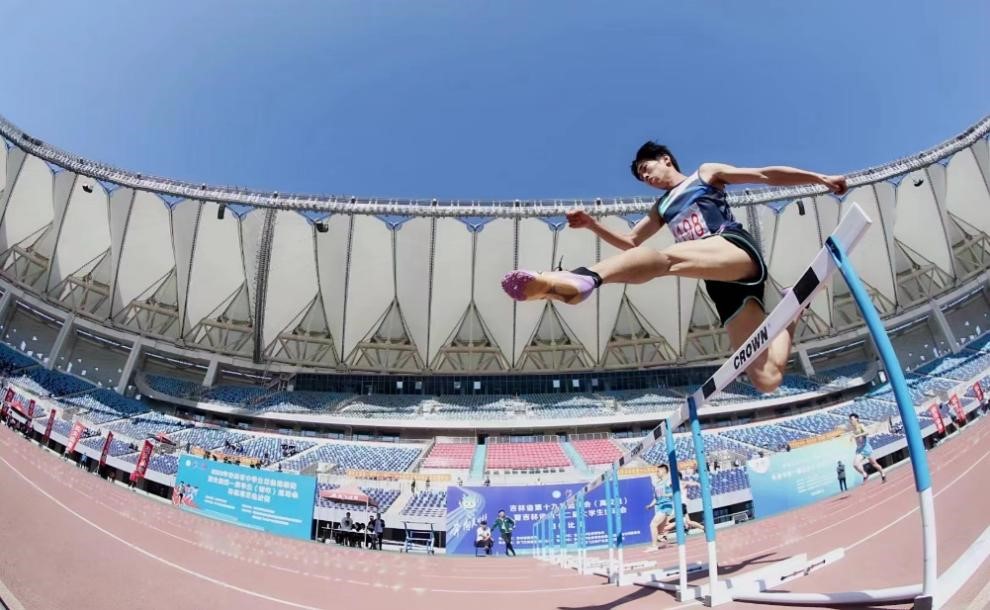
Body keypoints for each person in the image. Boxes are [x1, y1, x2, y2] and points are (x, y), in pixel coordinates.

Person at [501, 144, 847, 393]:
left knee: (666, 259)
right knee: (765, 379)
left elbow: (763, 175)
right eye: (641, 176)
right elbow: (630, 242)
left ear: (665, 159)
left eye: (647, 168)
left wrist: (819, 178)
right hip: (716, 280)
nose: (646, 177)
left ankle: (585, 278)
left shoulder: (705, 173)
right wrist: (593, 224)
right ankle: (793, 312)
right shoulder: (662, 206)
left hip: (733, 249)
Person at [848, 413, 886, 483]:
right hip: (859, 450)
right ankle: (865, 474)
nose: (851, 421)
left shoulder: (861, 426)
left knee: (874, 464)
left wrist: (857, 436)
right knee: (855, 464)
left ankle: (883, 473)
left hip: (866, 448)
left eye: (852, 419)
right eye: (850, 420)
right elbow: (855, 437)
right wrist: (852, 437)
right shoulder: (853, 429)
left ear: (856, 419)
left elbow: (867, 432)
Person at [645, 464, 675, 551]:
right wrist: (650, 505)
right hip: (660, 506)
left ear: (664, 471)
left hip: (666, 506)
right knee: (659, 531)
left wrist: (667, 494)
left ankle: (654, 546)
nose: (656, 473)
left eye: (658, 471)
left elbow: (675, 492)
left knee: (653, 525)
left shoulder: (669, 481)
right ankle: (664, 542)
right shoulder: (657, 484)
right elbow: (656, 498)